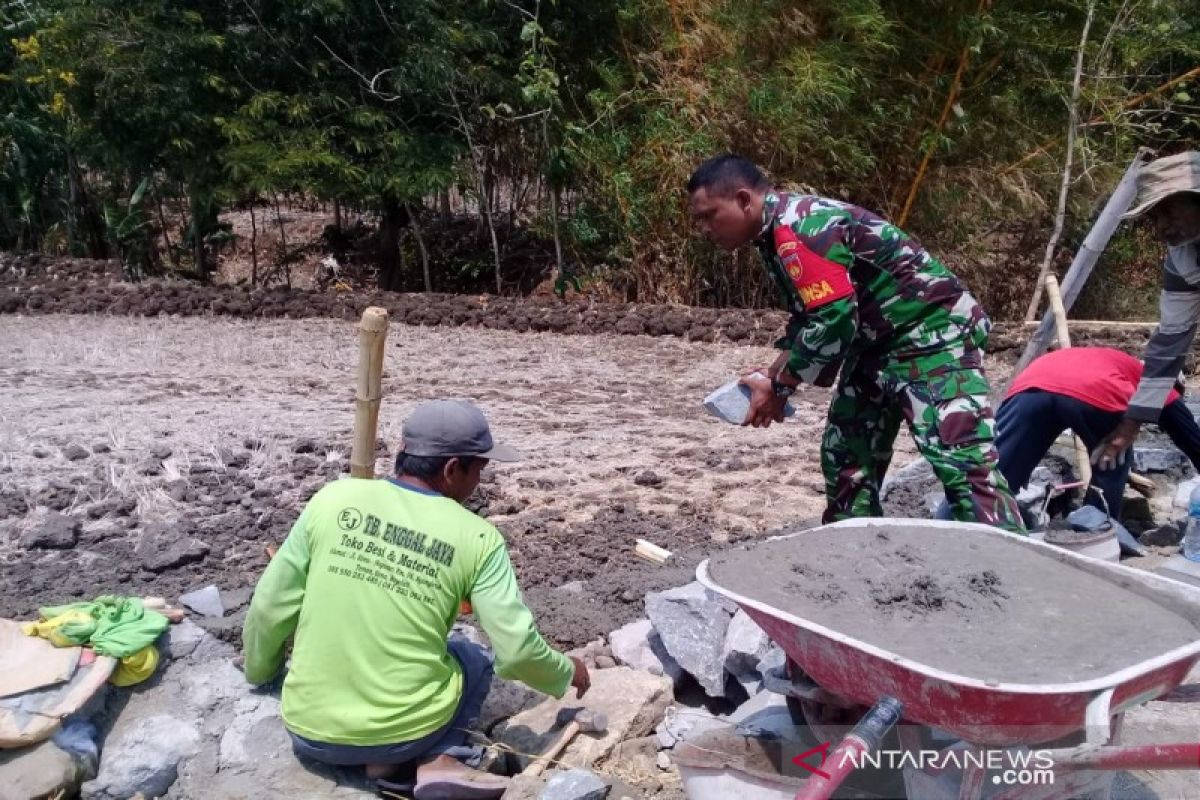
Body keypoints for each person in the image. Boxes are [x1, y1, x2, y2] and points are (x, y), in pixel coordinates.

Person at [242, 400, 588, 799]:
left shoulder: (333, 499)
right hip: (402, 737)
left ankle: (379, 762)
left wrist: (261, 673)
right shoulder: (479, 539)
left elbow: (270, 605)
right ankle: (442, 756)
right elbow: (517, 651)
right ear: (451, 469)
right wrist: (565, 671)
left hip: (308, 732)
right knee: (473, 659)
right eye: (479, 470)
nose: (480, 482)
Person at [686, 154, 1023, 532]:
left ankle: (1009, 575)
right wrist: (772, 376)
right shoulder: (774, 233)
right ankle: (854, 559)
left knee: (961, 461)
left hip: (932, 335)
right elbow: (812, 315)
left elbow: (834, 318)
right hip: (876, 344)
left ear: (744, 200)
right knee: (847, 455)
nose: (704, 229)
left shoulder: (802, 227)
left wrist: (781, 385)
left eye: (709, 216)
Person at [995, 347, 1200, 520]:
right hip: (1096, 388)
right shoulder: (1160, 384)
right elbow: (1190, 436)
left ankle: (983, 519)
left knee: (999, 467)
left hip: (1031, 384)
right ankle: (1095, 529)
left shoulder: (1114, 361)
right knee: (1112, 459)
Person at [1094, 151, 1200, 472]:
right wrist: (1131, 423)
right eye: (1154, 218)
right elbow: (1168, 345)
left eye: (1168, 211)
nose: (1161, 227)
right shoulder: (1184, 259)